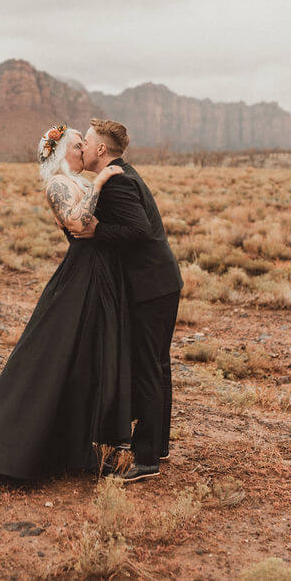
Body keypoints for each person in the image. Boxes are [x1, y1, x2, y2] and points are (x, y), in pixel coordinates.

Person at [0, 125, 131, 480]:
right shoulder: (57, 183)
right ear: (65, 150)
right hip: (81, 273)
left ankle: (76, 443)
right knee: (54, 352)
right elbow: (78, 222)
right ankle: (15, 445)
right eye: (80, 145)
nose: (85, 150)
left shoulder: (76, 181)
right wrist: (99, 185)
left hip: (98, 271)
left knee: (87, 355)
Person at [75, 118, 183, 482]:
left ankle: (147, 460)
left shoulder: (117, 181)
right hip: (160, 283)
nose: (84, 148)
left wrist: (97, 231)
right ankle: (158, 446)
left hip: (151, 287)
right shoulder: (122, 172)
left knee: (149, 367)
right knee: (158, 365)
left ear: (102, 149)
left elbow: (139, 230)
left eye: (87, 143)